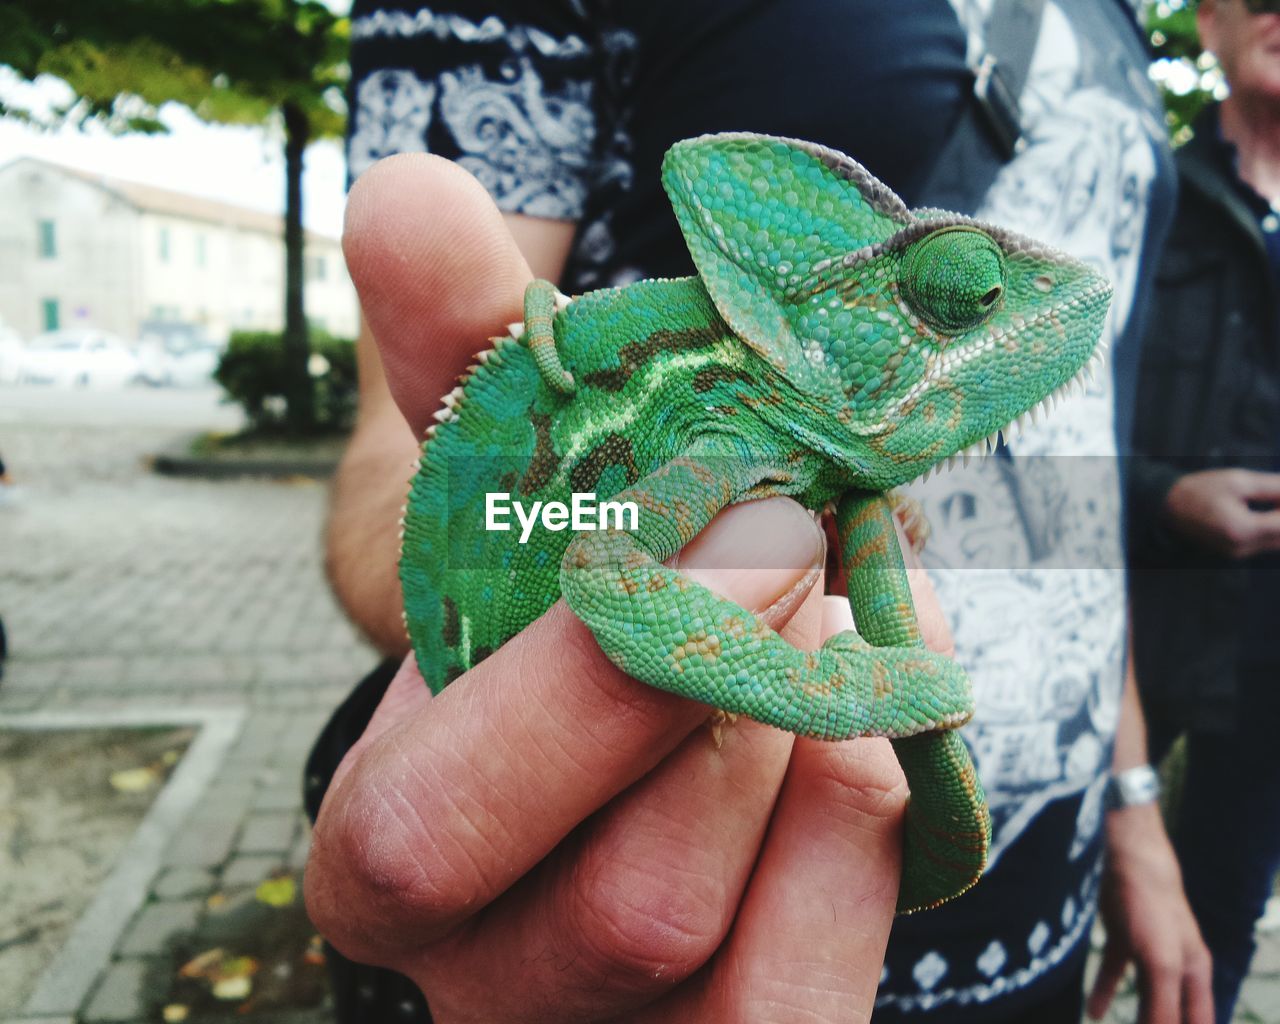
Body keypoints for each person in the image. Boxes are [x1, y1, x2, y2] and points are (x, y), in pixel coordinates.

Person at [305, 2, 1211, 1020]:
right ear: (823, 336)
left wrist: (1133, 811)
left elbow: (1081, 515)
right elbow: (600, 568)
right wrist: (815, 687)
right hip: (640, 889)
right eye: (959, 292)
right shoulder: (734, 423)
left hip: (1044, 899)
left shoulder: (1112, 18)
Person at [1129, 2, 1280, 1022]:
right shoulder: (1146, 190)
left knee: (1218, 924)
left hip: (1271, 667)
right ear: (1210, 21)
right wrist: (1161, 497)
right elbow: (1033, 431)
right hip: (1137, 632)